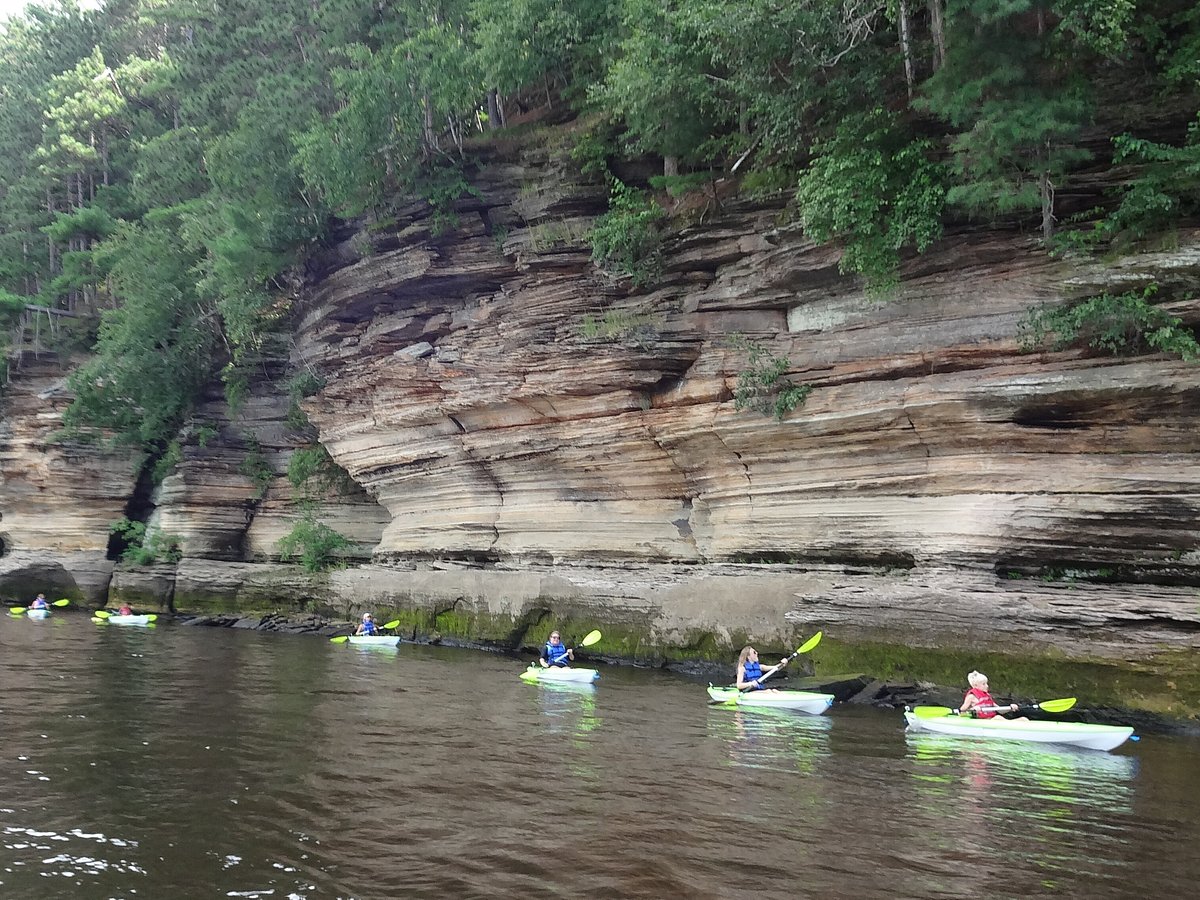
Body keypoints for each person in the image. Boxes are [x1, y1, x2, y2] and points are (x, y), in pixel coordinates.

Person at [960, 671, 1026, 721]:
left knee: (1024, 719)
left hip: (991, 719)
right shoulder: (971, 696)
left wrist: (1010, 708)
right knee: (998, 718)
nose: (987, 686)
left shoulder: (987, 696)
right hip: (982, 721)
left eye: (986, 683)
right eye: (984, 684)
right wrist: (973, 709)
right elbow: (962, 710)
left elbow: (1000, 710)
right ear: (975, 685)